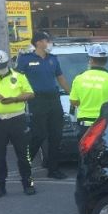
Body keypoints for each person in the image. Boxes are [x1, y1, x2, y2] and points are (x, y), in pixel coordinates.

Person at [16, 31, 70, 179]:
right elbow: (17, 80)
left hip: (54, 99)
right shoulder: (26, 58)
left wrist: (71, 94)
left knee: (56, 135)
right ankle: (24, 166)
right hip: (37, 100)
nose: (49, 43)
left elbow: (61, 78)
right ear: (39, 42)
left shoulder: (53, 59)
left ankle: (53, 169)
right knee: (39, 135)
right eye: (47, 40)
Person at [0, 50, 36, 197]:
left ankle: (28, 184)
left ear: (7, 62)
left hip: (17, 119)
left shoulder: (18, 75)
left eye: (1, 64)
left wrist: (15, 99)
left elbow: (31, 93)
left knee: (23, 155)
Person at [69, 44, 108, 137]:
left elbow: (73, 101)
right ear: (106, 61)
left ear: (91, 60)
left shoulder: (79, 79)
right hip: (104, 125)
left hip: (84, 126)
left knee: (84, 150)